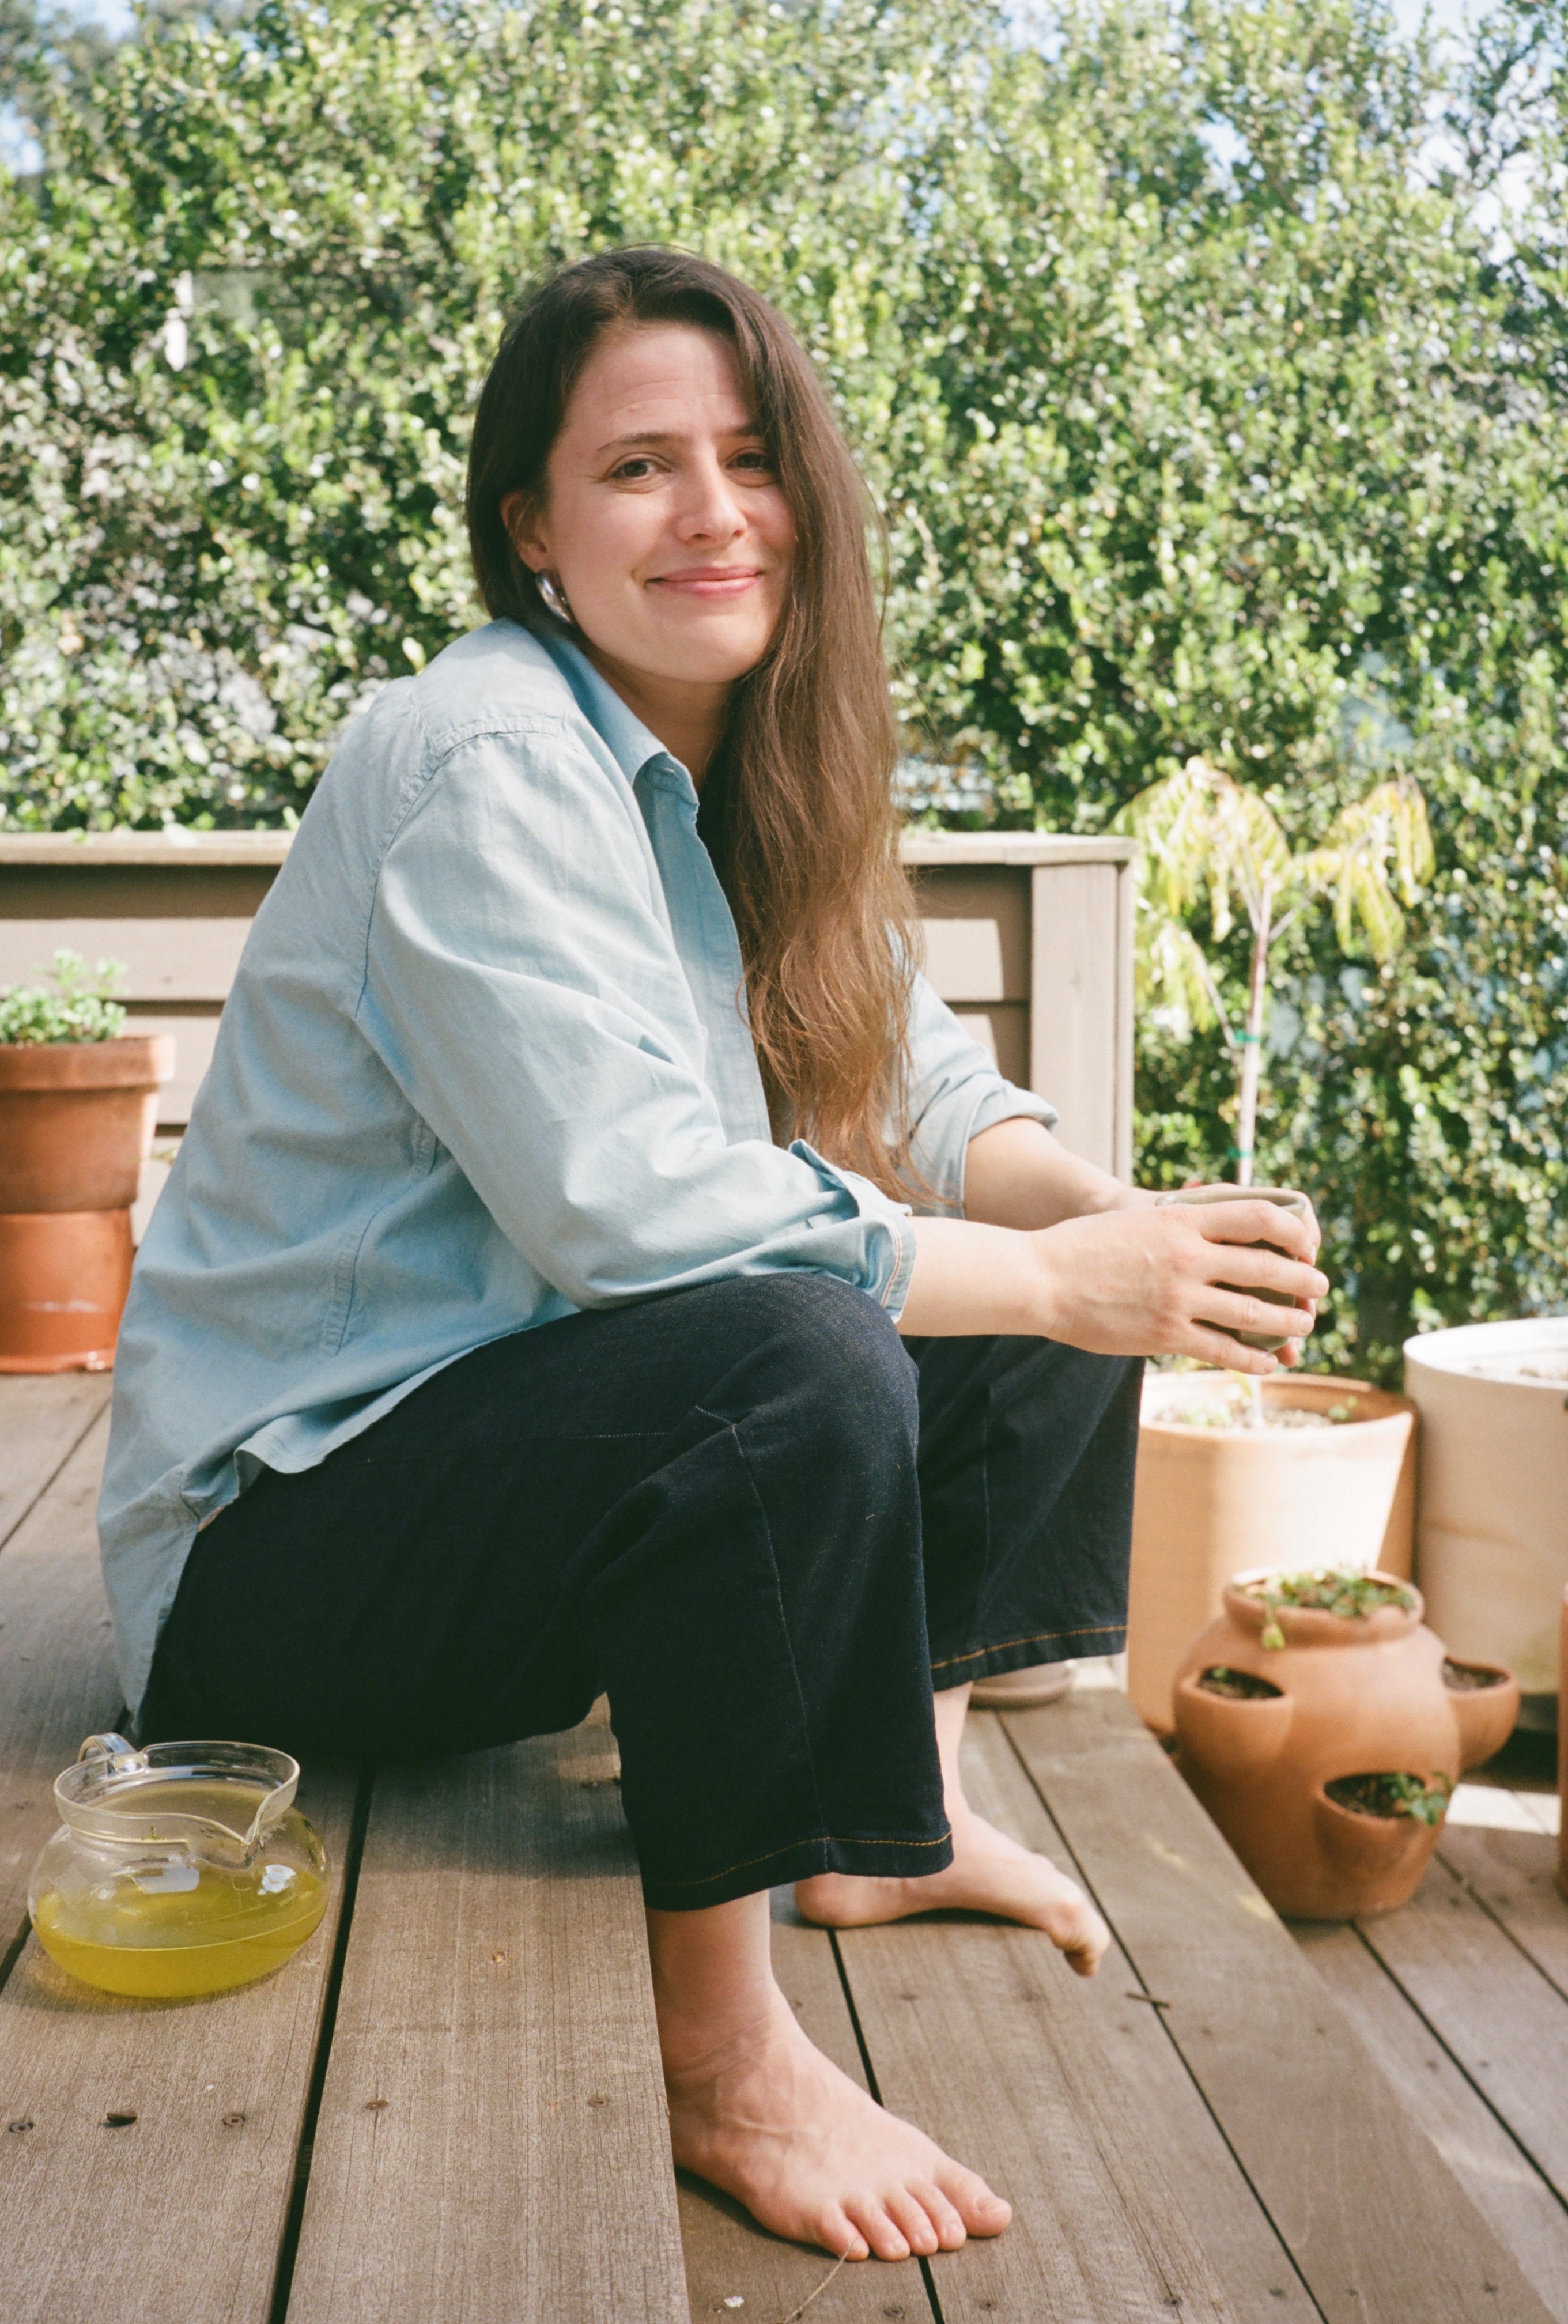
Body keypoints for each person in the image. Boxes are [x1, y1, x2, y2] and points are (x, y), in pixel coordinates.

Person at [100, 248, 1327, 2265]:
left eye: (748, 459)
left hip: (492, 1484)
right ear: (537, 530)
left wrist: (1119, 1230)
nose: (710, 513)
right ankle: (726, 2052)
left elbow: (931, 1094)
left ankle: (871, 1827)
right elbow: (630, 1214)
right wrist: (1050, 1278)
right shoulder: (487, 758)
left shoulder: (751, 774)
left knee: (1030, 1257)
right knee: (805, 1340)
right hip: (273, 1563)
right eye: (639, 467)